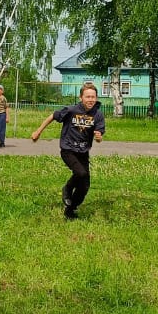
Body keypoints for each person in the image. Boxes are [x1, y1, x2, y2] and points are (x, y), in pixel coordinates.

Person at [30, 81, 105, 219]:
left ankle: (70, 210)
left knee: (84, 186)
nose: (90, 100)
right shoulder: (71, 110)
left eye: (93, 97)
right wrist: (38, 131)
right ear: (81, 98)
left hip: (83, 152)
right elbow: (53, 116)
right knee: (80, 173)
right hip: (68, 149)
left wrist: (99, 137)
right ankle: (67, 188)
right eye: (87, 97)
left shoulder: (98, 115)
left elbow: (99, 135)